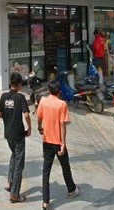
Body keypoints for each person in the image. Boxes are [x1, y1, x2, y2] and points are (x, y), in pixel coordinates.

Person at [37, 80, 80, 209]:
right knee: (65, 166)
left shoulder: (43, 101)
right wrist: (63, 143)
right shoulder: (62, 104)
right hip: (58, 141)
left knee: (46, 171)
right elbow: (62, 125)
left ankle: (45, 201)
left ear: (49, 90)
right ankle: (71, 190)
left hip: (47, 141)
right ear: (59, 91)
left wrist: (40, 127)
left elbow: (39, 118)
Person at [0, 72, 31, 203]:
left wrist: (8, 119)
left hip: (8, 134)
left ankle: (10, 183)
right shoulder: (20, 97)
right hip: (18, 135)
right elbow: (26, 115)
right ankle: (15, 194)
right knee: (19, 164)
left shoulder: (4, 96)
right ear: (19, 84)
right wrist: (29, 128)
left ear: (10, 83)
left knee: (14, 156)